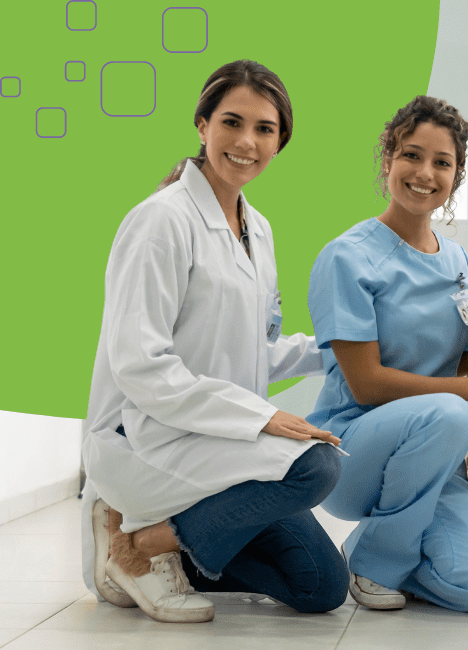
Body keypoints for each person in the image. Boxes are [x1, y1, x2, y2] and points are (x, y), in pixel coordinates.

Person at [81, 60, 349, 623]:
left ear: (280, 142)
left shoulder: (260, 229)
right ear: (202, 125)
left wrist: (344, 348)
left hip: (215, 446)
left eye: (265, 129)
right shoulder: (160, 223)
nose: (247, 141)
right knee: (317, 466)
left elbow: (253, 351)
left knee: (321, 586)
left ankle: (175, 539)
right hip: (147, 439)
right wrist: (262, 418)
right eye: (232, 122)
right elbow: (141, 366)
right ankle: (139, 544)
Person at [306, 96, 468, 613]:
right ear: (387, 158)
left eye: (442, 163)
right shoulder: (347, 256)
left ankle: (377, 542)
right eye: (412, 155)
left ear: (456, 178)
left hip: (433, 455)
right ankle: (376, 562)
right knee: (453, 411)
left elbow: (467, 349)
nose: (425, 173)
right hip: (349, 450)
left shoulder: (456, 259)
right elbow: (366, 382)